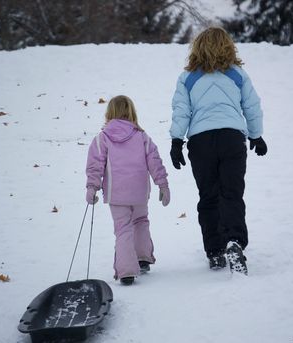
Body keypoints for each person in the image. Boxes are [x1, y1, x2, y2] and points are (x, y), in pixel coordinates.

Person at [169, 27, 267, 275]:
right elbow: (252, 106)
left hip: (201, 142)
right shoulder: (237, 74)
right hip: (232, 139)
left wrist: (176, 141)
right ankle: (234, 241)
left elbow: (181, 110)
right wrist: (256, 135)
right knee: (231, 194)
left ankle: (214, 251)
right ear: (228, 46)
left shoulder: (188, 77)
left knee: (209, 196)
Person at [86, 95, 170, 285]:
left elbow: (95, 165)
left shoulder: (103, 138)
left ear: (109, 113)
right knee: (141, 221)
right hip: (139, 192)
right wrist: (162, 184)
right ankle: (142, 258)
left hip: (116, 194)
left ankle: (126, 271)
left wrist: (92, 186)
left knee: (123, 229)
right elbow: (155, 161)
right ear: (131, 112)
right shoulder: (141, 136)